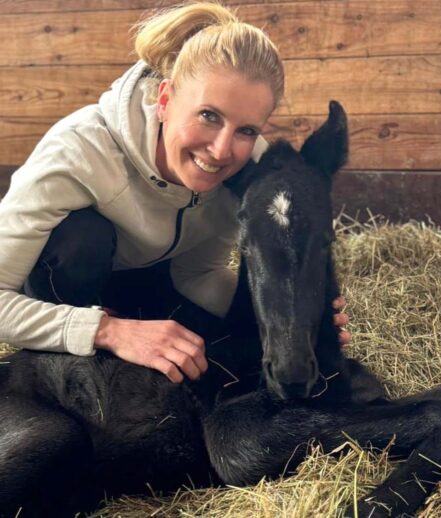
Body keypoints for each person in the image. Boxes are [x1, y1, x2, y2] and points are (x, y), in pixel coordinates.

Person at [0, 2, 349, 384]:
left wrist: (292, 315)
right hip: (64, 289)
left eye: (247, 130)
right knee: (84, 239)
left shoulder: (248, 169)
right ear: (164, 100)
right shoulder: (77, 152)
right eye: (208, 116)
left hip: (147, 285)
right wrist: (107, 331)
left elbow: (198, 273)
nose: (221, 151)